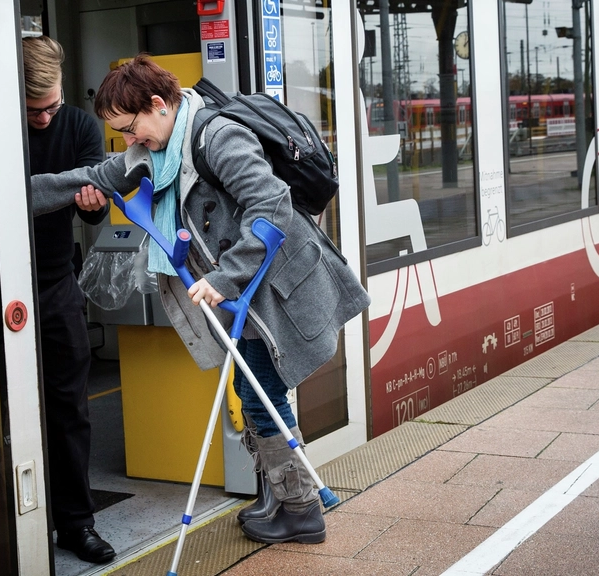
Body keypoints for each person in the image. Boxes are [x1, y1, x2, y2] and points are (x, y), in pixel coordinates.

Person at [30, 55, 371, 544]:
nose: (128, 142)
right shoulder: (155, 150)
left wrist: (227, 277)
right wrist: (8, 199)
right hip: (250, 296)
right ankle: (281, 496)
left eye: (130, 129)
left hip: (276, 289)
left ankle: (300, 510)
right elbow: (93, 177)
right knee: (253, 391)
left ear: (157, 104)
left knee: (260, 398)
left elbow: (271, 204)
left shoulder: (217, 137)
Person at [22, 36, 115, 564]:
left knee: (69, 410)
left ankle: (77, 524)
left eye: (51, 107)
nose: (44, 119)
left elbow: (94, 212)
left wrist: (92, 201)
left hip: (56, 283)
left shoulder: (80, 126)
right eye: (33, 110)